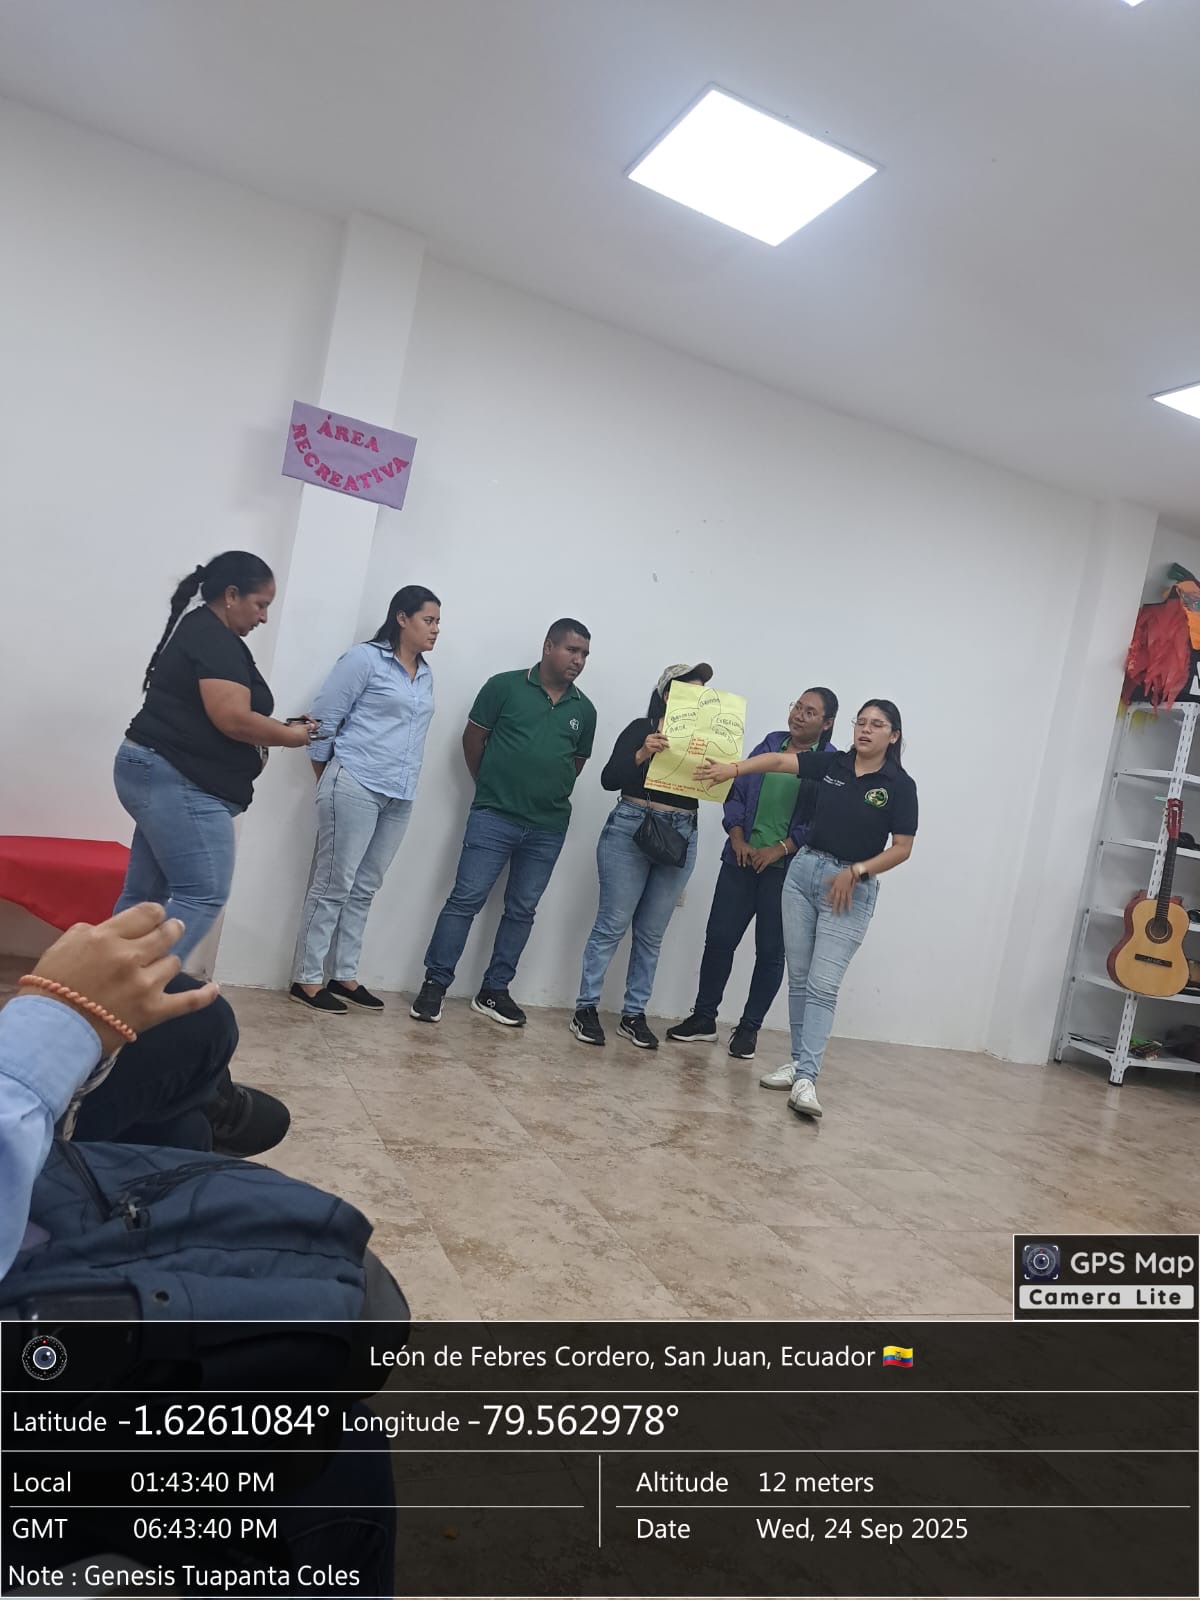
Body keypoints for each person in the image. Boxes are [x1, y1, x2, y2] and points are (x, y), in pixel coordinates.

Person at [696, 699, 917, 1118]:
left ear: (894, 735)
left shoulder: (899, 786)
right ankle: (798, 1064)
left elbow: (902, 848)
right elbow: (780, 761)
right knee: (799, 978)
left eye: (877, 724)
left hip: (849, 888)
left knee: (823, 984)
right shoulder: (834, 765)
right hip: (803, 874)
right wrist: (733, 769)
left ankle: (807, 1079)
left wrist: (858, 871)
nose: (865, 730)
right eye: (861, 722)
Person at [113, 551, 316, 963]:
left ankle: (108, 983)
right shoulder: (212, 637)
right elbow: (233, 719)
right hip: (176, 778)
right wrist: (290, 738)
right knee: (203, 893)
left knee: (146, 898)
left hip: (158, 771)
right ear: (231, 595)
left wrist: (279, 729)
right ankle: (141, 986)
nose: (264, 617)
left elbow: (224, 714)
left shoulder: (207, 632)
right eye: (261, 605)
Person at [410, 619, 596, 1027]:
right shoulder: (504, 686)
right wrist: (491, 786)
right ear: (548, 646)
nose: (578, 660)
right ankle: (435, 985)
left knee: (522, 910)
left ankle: (494, 991)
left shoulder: (584, 710)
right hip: (494, 817)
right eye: (571, 650)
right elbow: (472, 739)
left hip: (547, 827)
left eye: (584, 654)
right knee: (465, 900)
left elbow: (575, 764)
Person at [290, 585, 441, 1014]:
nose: (435, 630)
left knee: (365, 887)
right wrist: (329, 777)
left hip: (400, 794)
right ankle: (306, 978)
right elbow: (323, 721)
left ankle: (344, 974)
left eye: (437, 623)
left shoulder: (425, 674)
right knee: (334, 883)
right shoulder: (364, 659)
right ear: (402, 618)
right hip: (356, 782)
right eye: (428, 620)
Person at [666, 688, 838, 1061]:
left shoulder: (829, 764)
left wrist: (781, 848)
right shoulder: (770, 744)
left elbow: (820, 820)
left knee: (771, 952)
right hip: (740, 862)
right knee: (719, 940)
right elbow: (737, 792)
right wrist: (738, 838)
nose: (798, 715)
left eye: (810, 712)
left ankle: (748, 1029)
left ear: (827, 723)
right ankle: (704, 1018)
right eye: (797, 706)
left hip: (786, 872)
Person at [570, 663, 713, 1051]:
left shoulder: (707, 740)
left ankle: (634, 1014)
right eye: (690, 691)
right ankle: (585, 1008)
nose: (698, 699)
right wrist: (642, 752)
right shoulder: (641, 728)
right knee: (611, 924)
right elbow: (609, 779)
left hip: (682, 832)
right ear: (667, 695)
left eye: (703, 694)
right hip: (631, 826)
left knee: (651, 934)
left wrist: (721, 769)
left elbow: (725, 793)